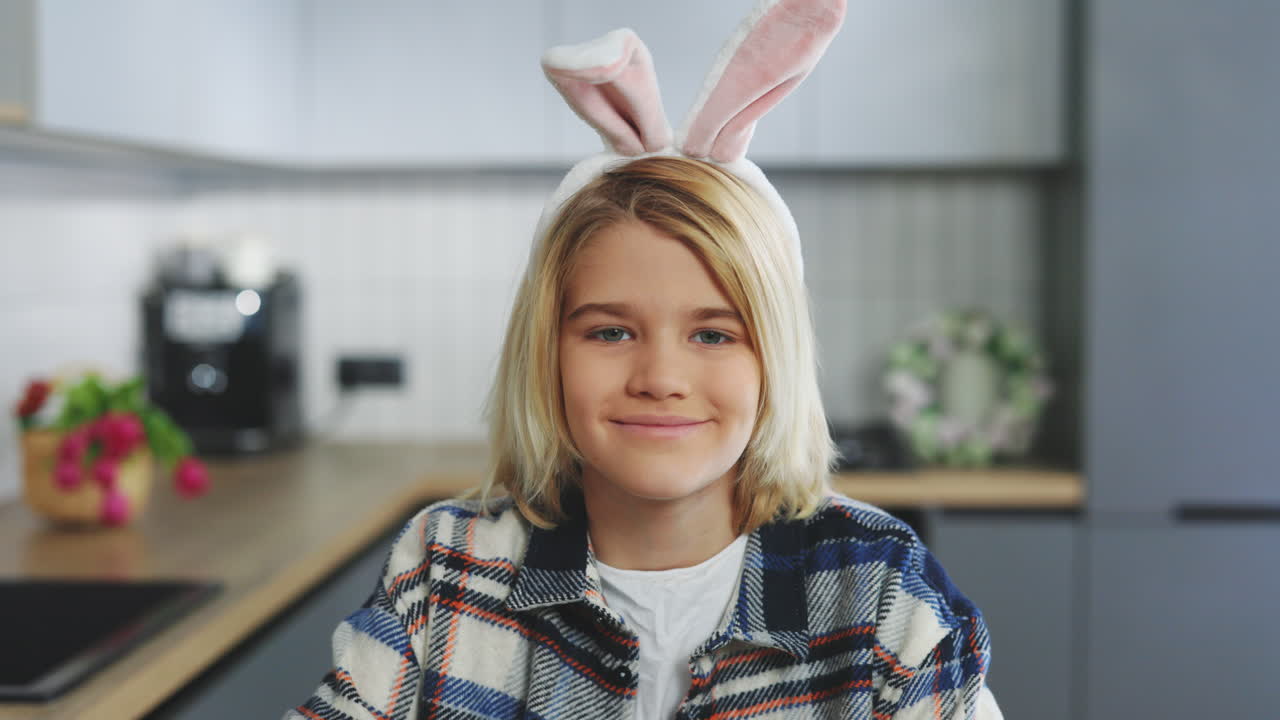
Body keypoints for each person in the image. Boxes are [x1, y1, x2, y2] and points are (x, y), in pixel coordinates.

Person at [288, 2, 1002, 718]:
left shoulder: (884, 594)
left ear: (773, 360)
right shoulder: (444, 566)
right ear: (547, 353)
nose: (660, 379)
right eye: (610, 333)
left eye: (714, 335)